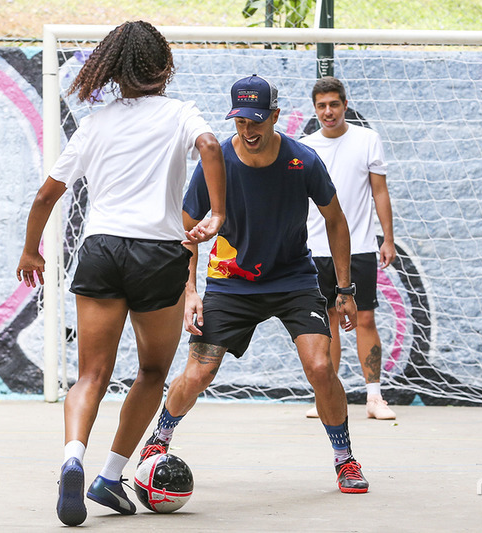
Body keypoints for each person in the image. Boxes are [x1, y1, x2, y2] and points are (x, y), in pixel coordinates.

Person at [15, 21, 226, 526]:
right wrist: (216, 214)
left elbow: (47, 195)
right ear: (163, 66)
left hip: (102, 249)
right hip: (158, 253)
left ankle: (71, 456)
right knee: (152, 372)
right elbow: (213, 148)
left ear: (114, 68)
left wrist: (32, 252)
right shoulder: (180, 114)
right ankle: (110, 476)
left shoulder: (96, 123)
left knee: (91, 373)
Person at [140, 74, 370, 494]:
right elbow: (188, 227)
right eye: (240, 122)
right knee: (199, 372)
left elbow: (336, 221)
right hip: (230, 282)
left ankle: (345, 460)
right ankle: (158, 442)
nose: (248, 131)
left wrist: (345, 290)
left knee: (321, 366)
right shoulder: (218, 163)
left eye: (256, 121)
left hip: (293, 278)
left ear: (275, 116)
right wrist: (190, 290)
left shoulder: (303, 160)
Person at [301, 76, 397, 420]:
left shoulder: (367, 140)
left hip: (358, 247)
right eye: (322, 106)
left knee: (365, 317)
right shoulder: (305, 146)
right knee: (326, 323)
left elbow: (380, 192)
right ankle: (327, 396)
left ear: (344, 104)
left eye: (334, 104)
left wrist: (387, 237)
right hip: (314, 250)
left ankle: (374, 398)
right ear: (315, 108)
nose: (328, 112)